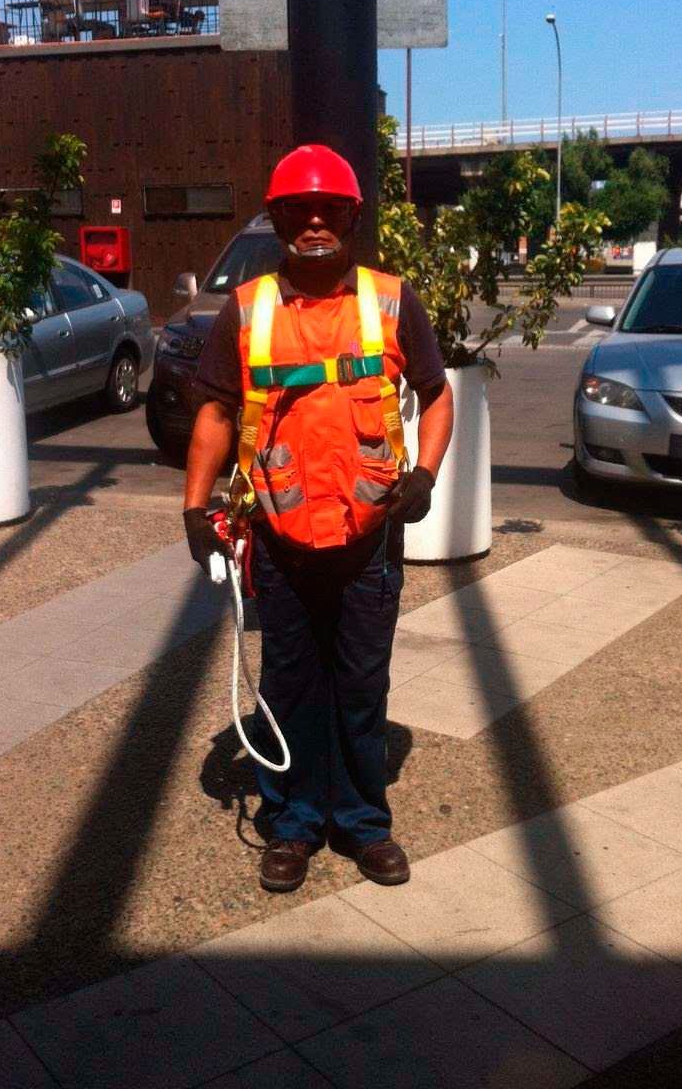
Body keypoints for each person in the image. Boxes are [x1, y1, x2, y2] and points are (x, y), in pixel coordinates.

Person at [183, 144, 453, 893]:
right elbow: (214, 408)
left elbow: (436, 393)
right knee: (290, 684)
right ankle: (294, 824)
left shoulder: (391, 299)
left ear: (351, 218)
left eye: (328, 210)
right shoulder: (246, 309)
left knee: (363, 685)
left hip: (367, 540)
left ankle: (363, 822)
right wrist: (194, 505)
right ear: (275, 221)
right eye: (297, 211)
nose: (312, 222)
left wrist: (425, 473)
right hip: (280, 537)